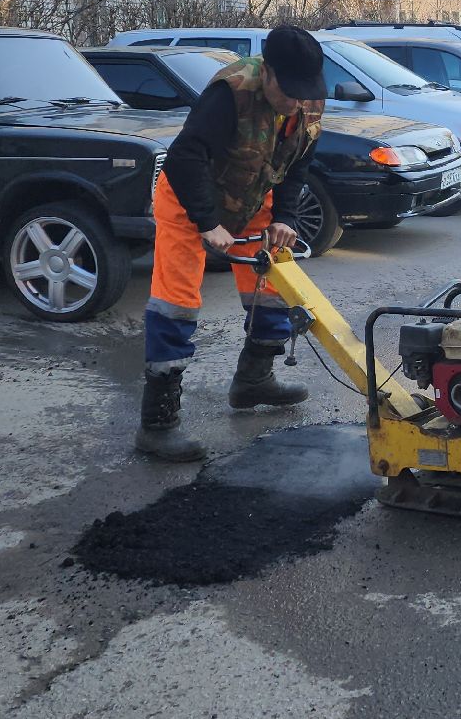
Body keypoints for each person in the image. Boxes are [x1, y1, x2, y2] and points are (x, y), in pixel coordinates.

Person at [139, 27, 327, 461]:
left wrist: (284, 217)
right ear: (269, 74)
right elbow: (184, 157)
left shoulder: (308, 101)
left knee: (276, 285)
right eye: (290, 92)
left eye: (306, 93)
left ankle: (253, 380)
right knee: (176, 302)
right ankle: (157, 425)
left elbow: (298, 165)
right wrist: (206, 223)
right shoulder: (231, 92)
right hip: (189, 197)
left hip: (250, 197)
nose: (298, 102)